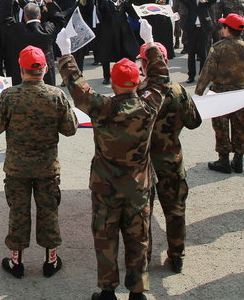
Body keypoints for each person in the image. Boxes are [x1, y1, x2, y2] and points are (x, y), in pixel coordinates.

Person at [57, 47, 170, 300]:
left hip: (106, 187)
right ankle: (137, 290)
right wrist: (152, 49)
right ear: (137, 82)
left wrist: (66, 55)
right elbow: (162, 81)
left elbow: (78, 88)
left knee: (105, 238)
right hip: (138, 186)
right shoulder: (148, 105)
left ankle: (107, 290)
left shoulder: (102, 107)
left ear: (114, 82)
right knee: (138, 238)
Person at [0, 45, 78, 279]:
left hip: (17, 167)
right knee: (49, 210)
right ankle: (51, 260)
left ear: (21, 69)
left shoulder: (9, 95)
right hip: (47, 166)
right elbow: (70, 129)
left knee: (18, 211)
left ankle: (16, 262)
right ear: (45, 69)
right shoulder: (55, 95)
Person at [146, 42, 201, 273]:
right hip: (171, 161)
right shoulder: (179, 91)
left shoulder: (139, 91)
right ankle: (177, 256)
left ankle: (143, 257)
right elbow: (194, 121)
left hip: (145, 165)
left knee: (143, 214)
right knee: (175, 210)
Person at [195, 13, 244, 173]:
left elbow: (207, 72)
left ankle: (223, 160)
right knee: (240, 127)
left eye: (224, 27)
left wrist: (198, 93)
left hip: (220, 93)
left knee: (221, 127)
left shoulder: (218, 47)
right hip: (240, 94)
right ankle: (238, 159)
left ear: (227, 30)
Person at [92, 0, 138, 85]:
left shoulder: (124, 4)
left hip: (123, 34)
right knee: (106, 56)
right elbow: (99, 0)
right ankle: (107, 77)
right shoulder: (106, 3)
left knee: (129, 54)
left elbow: (133, 12)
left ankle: (130, 75)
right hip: (109, 34)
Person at [179, 0, 219, 84]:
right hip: (192, 29)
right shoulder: (190, 0)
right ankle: (191, 75)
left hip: (204, 29)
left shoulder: (205, 0)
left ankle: (203, 75)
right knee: (191, 53)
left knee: (203, 53)